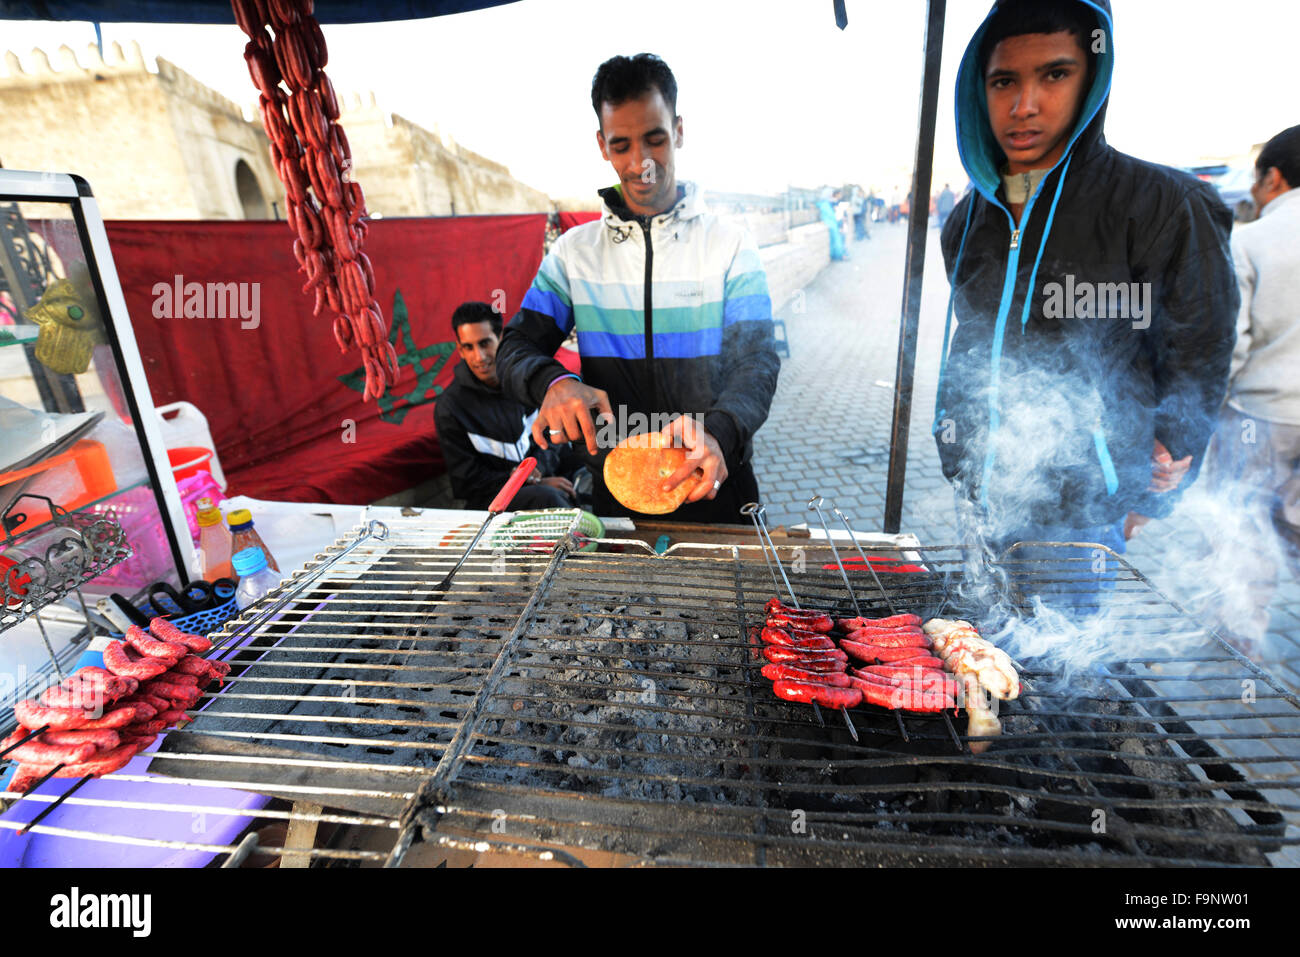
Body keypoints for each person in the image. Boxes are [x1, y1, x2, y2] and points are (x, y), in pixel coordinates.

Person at [933, 0, 1239, 608]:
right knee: (988, 658)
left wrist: (1157, 485)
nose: (1024, 105)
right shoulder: (968, 221)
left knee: (1060, 672)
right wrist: (954, 446)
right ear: (978, 91)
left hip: (1085, 509)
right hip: (986, 491)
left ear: (1091, 78)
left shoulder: (1159, 203)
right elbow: (970, 339)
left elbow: (1199, 348)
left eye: (1054, 74)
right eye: (1004, 81)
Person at [494, 53, 780, 523]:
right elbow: (515, 347)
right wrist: (555, 383)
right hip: (616, 492)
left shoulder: (730, 246)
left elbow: (758, 362)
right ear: (602, 145)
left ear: (680, 130)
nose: (640, 163)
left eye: (655, 139)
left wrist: (720, 431)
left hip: (714, 482)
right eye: (621, 144)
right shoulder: (573, 254)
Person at [1202, 125, 1300, 654]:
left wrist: (1212, 410)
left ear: (1274, 178)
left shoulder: (1252, 239)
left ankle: (1238, 642)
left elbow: (1231, 342)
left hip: (1257, 416)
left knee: (1243, 530)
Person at [434, 301, 579, 511]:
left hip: (544, 477)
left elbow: (553, 439)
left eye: (484, 343)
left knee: (587, 462)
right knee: (549, 498)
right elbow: (466, 482)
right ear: (460, 349)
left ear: (501, 339)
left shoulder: (526, 380)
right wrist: (524, 481)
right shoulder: (451, 407)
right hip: (493, 500)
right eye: (468, 347)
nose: (479, 357)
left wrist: (537, 473)